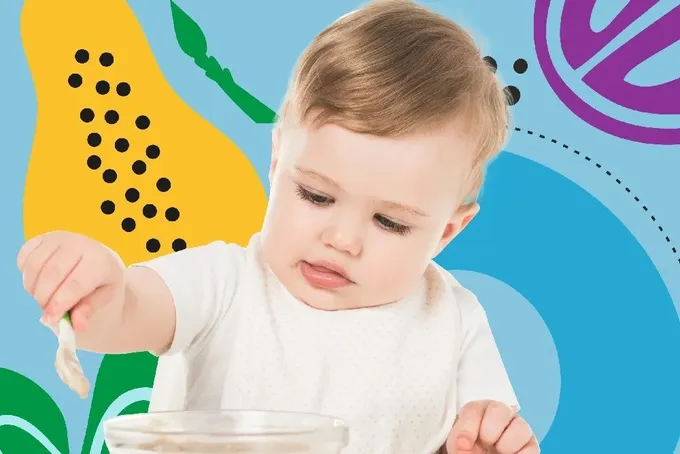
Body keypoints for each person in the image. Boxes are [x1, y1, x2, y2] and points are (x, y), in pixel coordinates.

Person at [17, 1, 539, 452]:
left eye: (389, 222)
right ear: (276, 163)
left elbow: (482, 431)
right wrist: (102, 289)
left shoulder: (456, 322)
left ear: (447, 231)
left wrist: (486, 444)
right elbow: (131, 311)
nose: (341, 239)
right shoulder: (225, 283)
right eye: (315, 195)